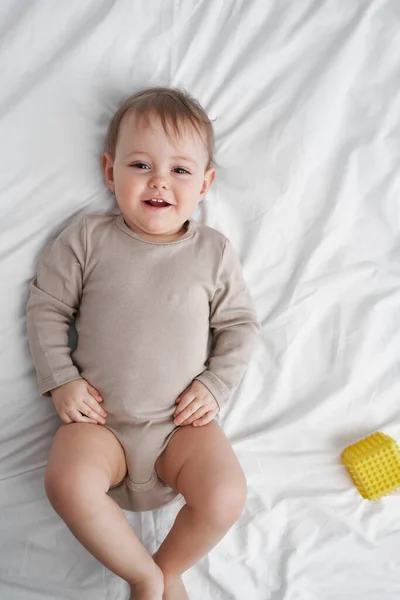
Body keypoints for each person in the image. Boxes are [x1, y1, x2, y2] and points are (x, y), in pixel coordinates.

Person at [26, 87, 260, 600]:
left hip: (181, 429)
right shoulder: (87, 238)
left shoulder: (212, 251)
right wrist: (61, 380)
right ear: (110, 172)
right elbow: (47, 308)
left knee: (226, 495)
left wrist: (216, 384)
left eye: (180, 170)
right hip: (100, 424)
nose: (159, 181)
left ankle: (169, 569)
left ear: (205, 184)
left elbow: (240, 325)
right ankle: (143, 576)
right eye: (140, 164)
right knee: (66, 483)